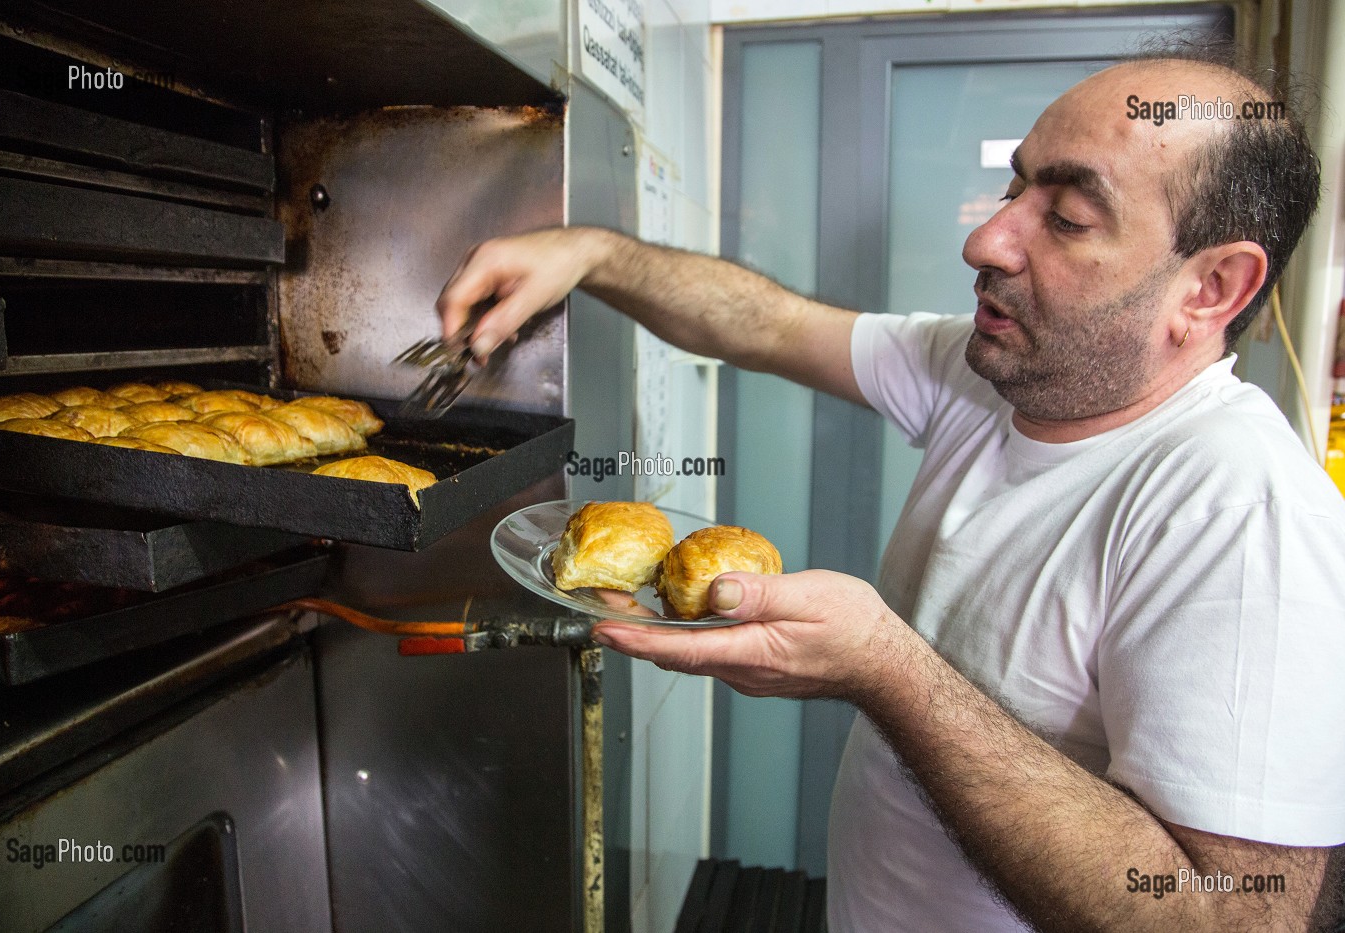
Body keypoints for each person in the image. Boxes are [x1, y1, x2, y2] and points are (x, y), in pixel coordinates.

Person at [438, 46, 1345, 932]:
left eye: (1065, 216)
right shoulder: (992, 371)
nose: (986, 239)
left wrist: (885, 668)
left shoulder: (1238, 510)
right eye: (1014, 189)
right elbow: (769, 324)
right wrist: (587, 252)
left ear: (1211, 286)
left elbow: (1235, 912)